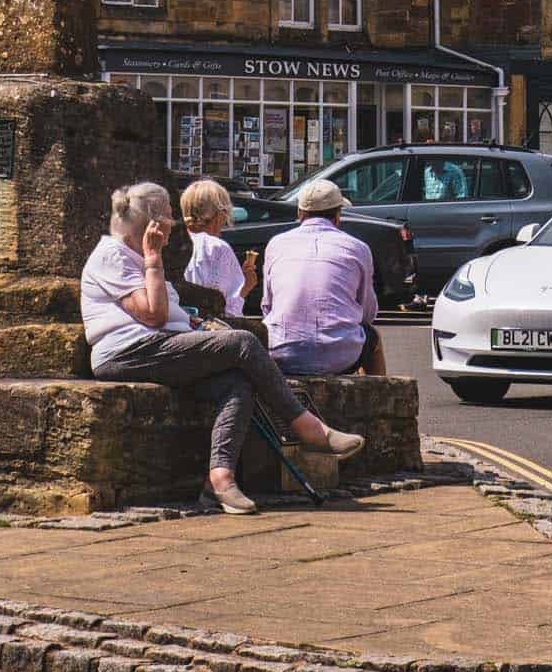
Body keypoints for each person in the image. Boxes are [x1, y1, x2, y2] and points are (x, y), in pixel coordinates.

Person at [81, 181, 364, 515]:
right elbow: (153, 315)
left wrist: (194, 324)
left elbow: (168, 316)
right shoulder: (112, 257)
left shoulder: (133, 256)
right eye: (169, 216)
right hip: (128, 351)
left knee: (236, 384)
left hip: (158, 346)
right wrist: (154, 258)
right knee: (243, 342)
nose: (174, 223)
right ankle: (308, 428)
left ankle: (220, 481)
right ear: (152, 224)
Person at [259, 179, 387, 377]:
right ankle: (379, 401)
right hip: (341, 355)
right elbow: (367, 312)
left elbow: (268, 307)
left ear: (300, 214)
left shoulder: (276, 244)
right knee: (373, 338)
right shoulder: (357, 248)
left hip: (280, 352)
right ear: (338, 216)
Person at [181, 178, 256, 319]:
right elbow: (227, 312)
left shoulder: (174, 241)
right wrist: (246, 286)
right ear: (219, 216)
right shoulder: (216, 248)